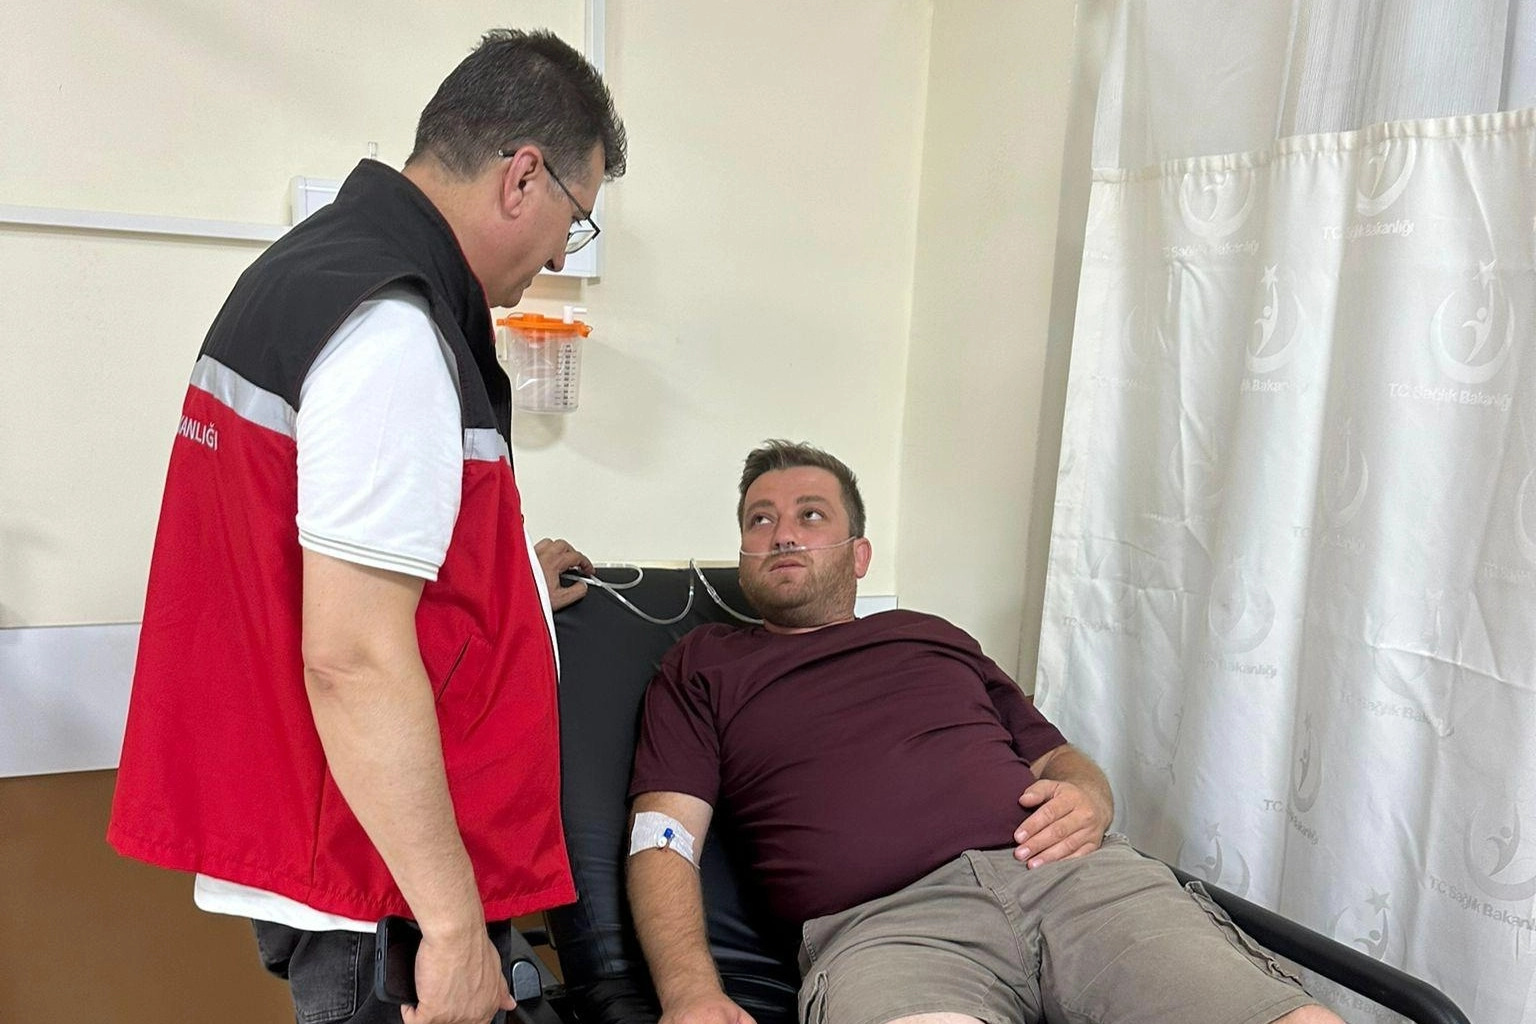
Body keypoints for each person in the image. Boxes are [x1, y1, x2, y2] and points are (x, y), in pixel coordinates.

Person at [108, 29, 625, 1024]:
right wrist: (453, 928)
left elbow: (319, 555)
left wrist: (515, 588)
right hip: (379, 893)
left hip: (353, 863)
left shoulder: (314, 274)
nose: (564, 251)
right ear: (523, 176)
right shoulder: (393, 327)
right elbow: (351, 656)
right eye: (576, 216)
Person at [627, 440, 1344, 1024]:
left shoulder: (930, 635)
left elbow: (1057, 758)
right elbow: (662, 836)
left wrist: (1092, 797)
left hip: (1074, 882)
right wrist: (690, 993)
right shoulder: (704, 662)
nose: (782, 532)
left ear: (859, 553)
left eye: (810, 515)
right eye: (759, 520)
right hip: (888, 930)